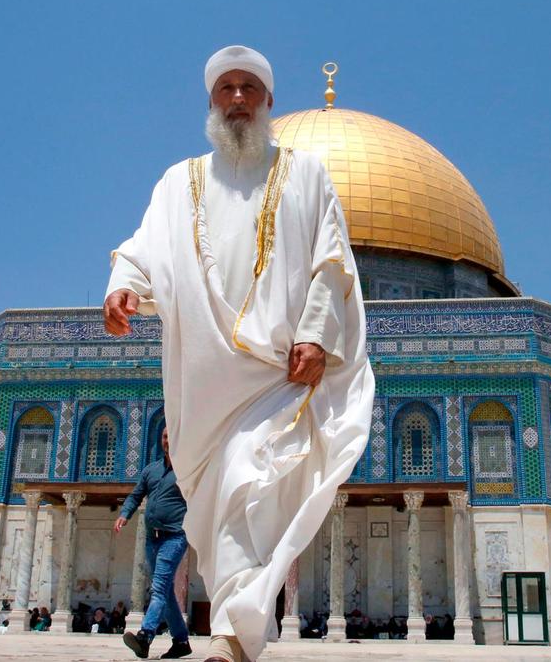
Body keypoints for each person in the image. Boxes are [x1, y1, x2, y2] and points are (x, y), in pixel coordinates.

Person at [104, 44, 374, 662]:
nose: (237, 99)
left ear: (269, 101)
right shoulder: (179, 182)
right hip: (206, 382)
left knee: (251, 484)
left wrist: (315, 334)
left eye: (249, 88)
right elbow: (144, 249)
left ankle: (233, 633)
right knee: (220, 501)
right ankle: (233, 628)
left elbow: (332, 261)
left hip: (277, 370)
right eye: (226, 88)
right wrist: (124, 288)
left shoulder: (306, 174)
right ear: (210, 100)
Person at [117, 426, 192, 659]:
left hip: (175, 536)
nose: (167, 440)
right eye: (164, 436)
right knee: (166, 591)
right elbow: (136, 495)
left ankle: (145, 636)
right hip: (152, 539)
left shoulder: (188, 470)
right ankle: (181, 642)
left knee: (159, 587)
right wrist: (124, 514)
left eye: (171, 436)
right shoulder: (151, 470)